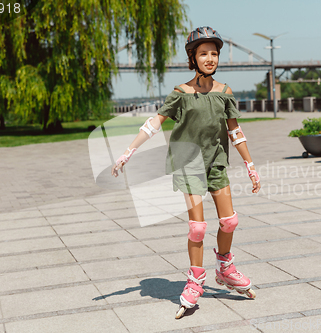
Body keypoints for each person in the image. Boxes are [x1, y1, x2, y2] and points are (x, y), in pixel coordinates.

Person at [111, 26, 261, 319]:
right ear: (193, 58)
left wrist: (250, 166)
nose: (210, 58)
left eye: (214, 53)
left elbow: (235, 131)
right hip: (188, 163)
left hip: (216, 162)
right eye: (203, 53)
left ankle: (225, 269)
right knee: (198, 228)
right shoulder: (181, 93)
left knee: (229, 221)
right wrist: (127, 152)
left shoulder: (224, 92)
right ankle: (194, 281)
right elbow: (154, 123)